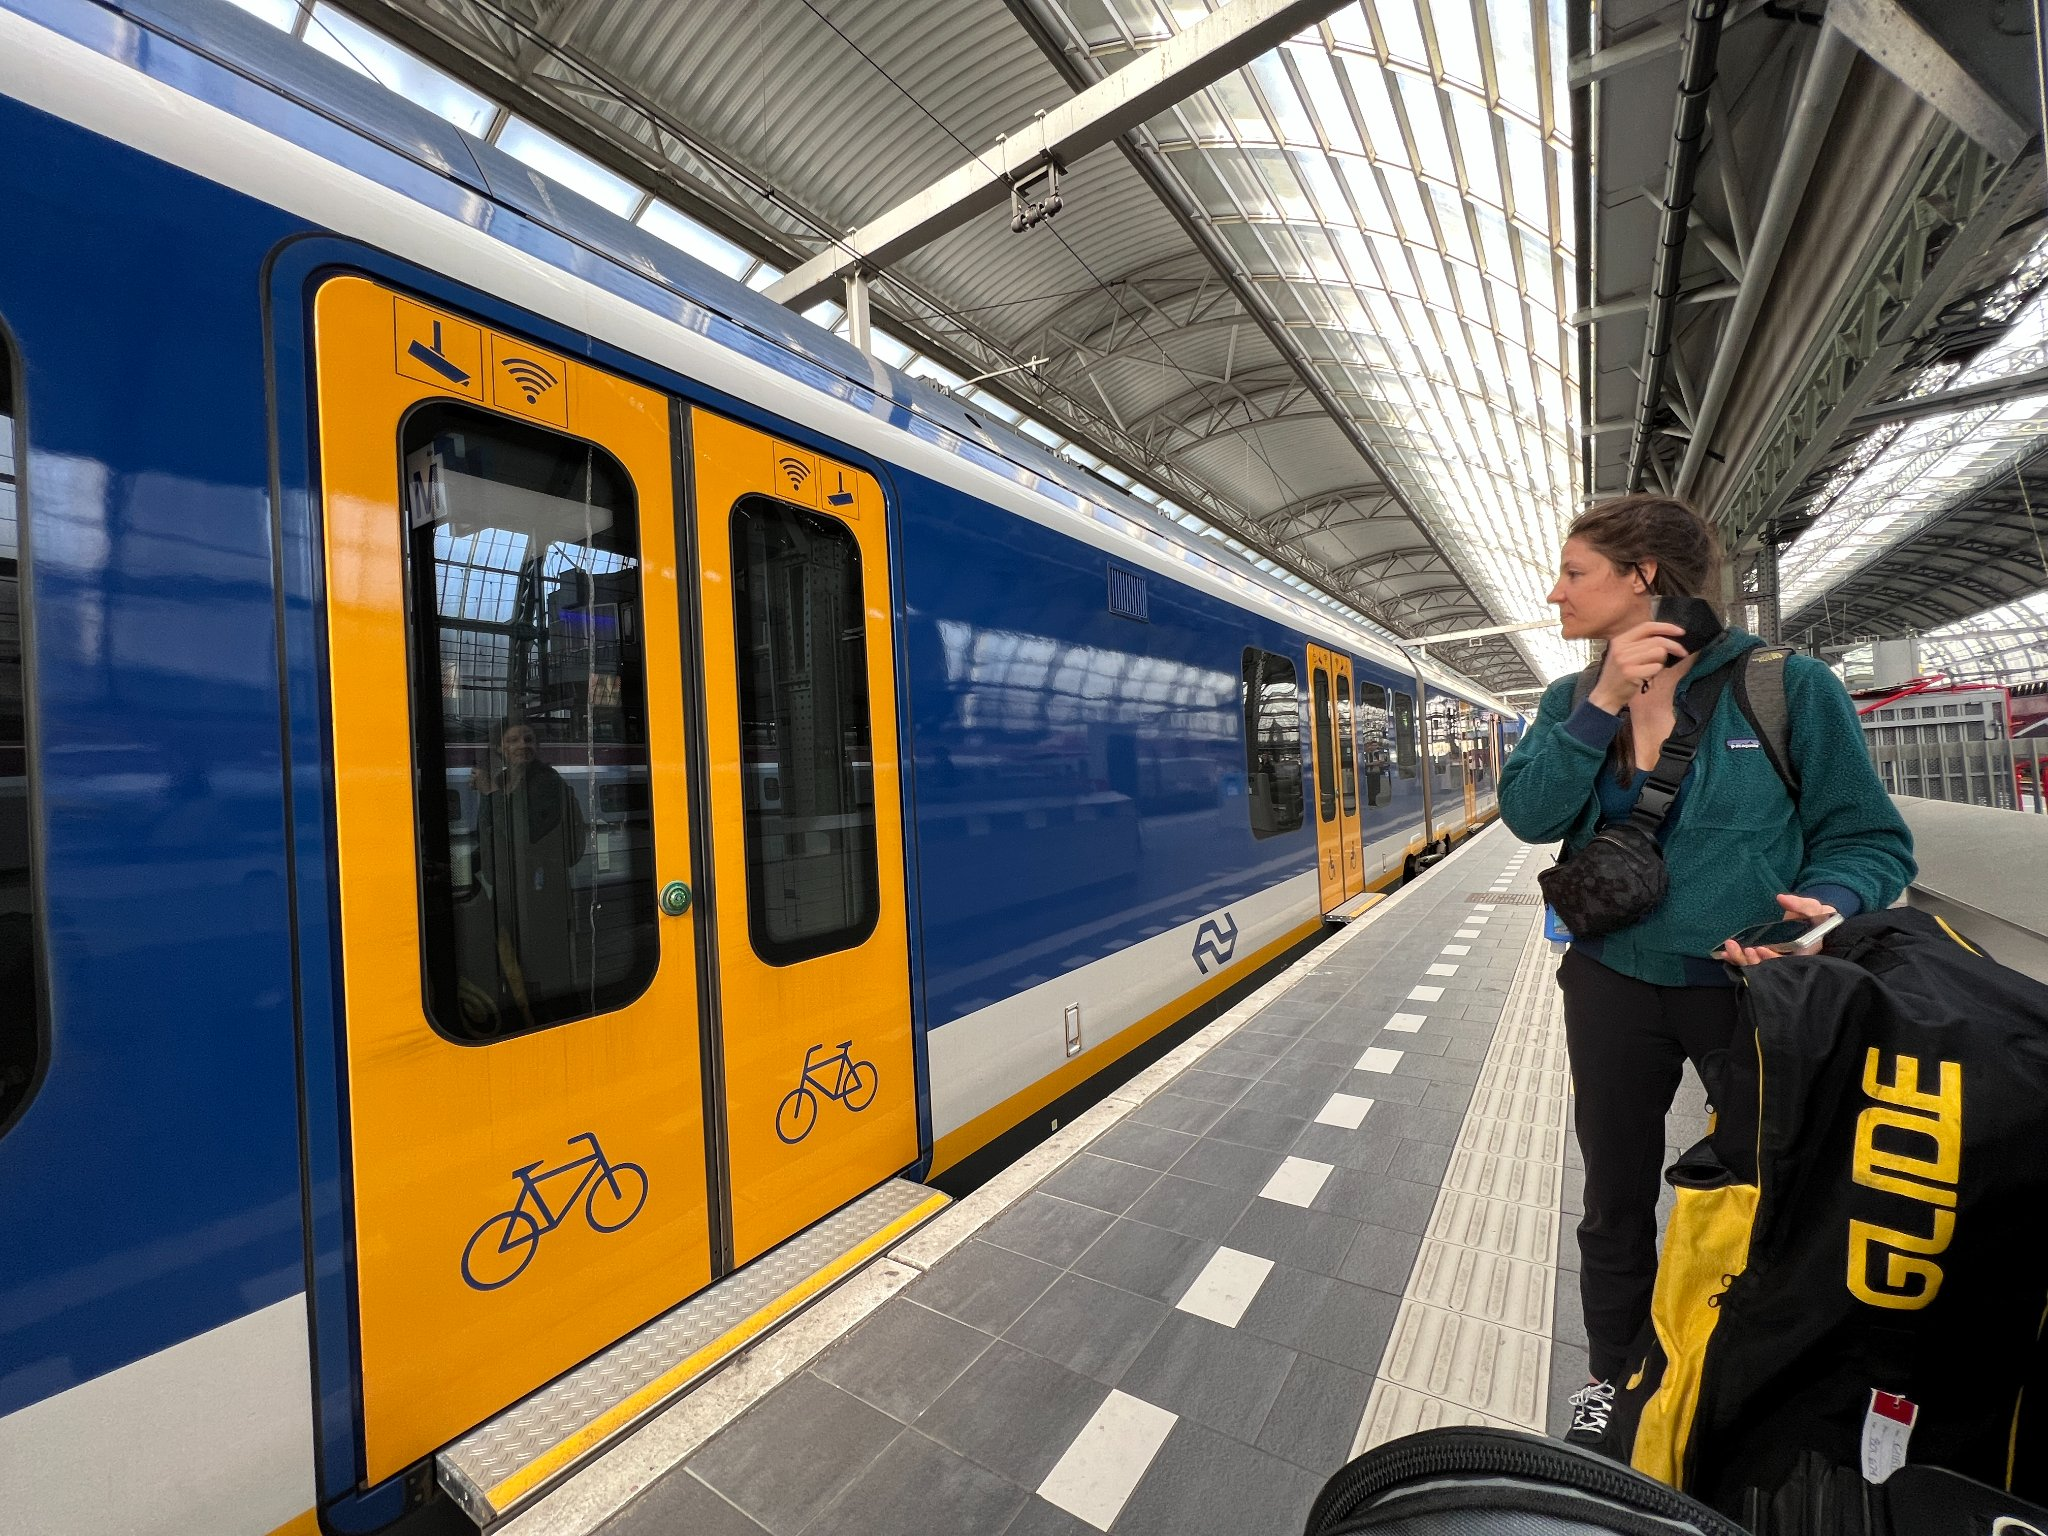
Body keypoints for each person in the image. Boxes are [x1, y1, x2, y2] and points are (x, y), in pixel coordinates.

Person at [1498, 494, 1914, 1450]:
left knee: (1772, 1194)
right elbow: (1527, 815)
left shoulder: (1784, 687)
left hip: (1752, 992)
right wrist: (1601, 702)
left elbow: (1868, 837)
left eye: (1574, 573)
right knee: (1613, 1197)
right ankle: (1612, 1376)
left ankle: (1750, 1376)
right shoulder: (1571, 699)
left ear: (1642, 578)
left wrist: (1831, 907)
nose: (1555, 593)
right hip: (1610, 980)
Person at [469, 717, 588, 1031]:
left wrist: (490, 794)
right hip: (509, 887)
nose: (523, 745)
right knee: (515, 960)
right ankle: (527, 1018)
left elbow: (526, 834)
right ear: (500, 749)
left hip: (541, 891)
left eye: (529, 739)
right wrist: (463, 867)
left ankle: (555, 1020)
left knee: (545, 962)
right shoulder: (505, 781)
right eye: (513, 741)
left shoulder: (547, 782)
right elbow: (490, 835)